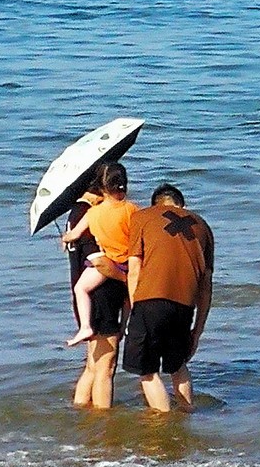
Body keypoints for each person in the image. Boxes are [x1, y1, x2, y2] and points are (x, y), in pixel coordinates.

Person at [123, 183, 215, 413]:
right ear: (183, 205)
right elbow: (206, 286)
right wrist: (198, 330)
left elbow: (134, 268)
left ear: (155, 204)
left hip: (149, 299)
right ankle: (187, 413)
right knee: (178, 365)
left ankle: (165, 424)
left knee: (147, 371)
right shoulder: (202, 226)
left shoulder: (142, 217)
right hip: (185, 305)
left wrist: (135, 307)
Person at [66, 179, 128, 409]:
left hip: (89, 299)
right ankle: (104, 429)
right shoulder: (90, 213)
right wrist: (126, 279)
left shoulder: (76, 212)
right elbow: (100, 262)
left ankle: (81, 416)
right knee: (106, 367)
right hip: (103, 297)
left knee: (93, 365)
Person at [60, 162, 138, 344]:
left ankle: (85, 327)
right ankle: (125, 326)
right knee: (128, 299)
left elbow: (75, 234)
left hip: (109, 261)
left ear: (101, 187)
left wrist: (65, 238)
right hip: (129, 262)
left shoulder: (92, 213)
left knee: (81, 288)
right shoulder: (132, 210)